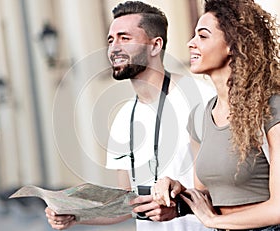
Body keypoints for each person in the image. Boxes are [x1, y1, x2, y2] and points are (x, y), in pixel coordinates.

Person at [45, 1, 214, 230]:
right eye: (111, 40)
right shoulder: (123, 119)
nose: (114, 48)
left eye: (125, 38)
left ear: (155, 46)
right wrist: (74, 214)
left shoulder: (200, 98)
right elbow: (127, 203)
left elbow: (225, 189)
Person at [152, 0, 280, 230]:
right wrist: (176, 192)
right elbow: (206, 198)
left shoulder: (271, 107)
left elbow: (278, 207)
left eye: (202, 36)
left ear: (233, 44)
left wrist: (214, 221)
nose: (191, 43)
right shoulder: (200, 118)